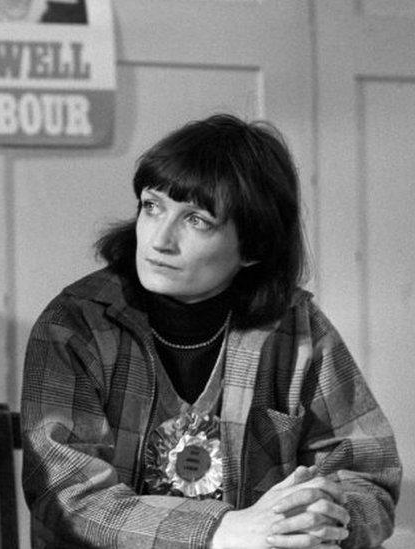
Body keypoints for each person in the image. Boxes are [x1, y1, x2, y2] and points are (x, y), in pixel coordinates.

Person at [21, 114, 400, 548]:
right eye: (152, 206)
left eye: (196, 220)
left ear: (254, 247)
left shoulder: (298, 328)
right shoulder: (75, 324)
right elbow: (68, 496)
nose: (159, 240)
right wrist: (220, 530)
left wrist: (326, 515)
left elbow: (369, 477)